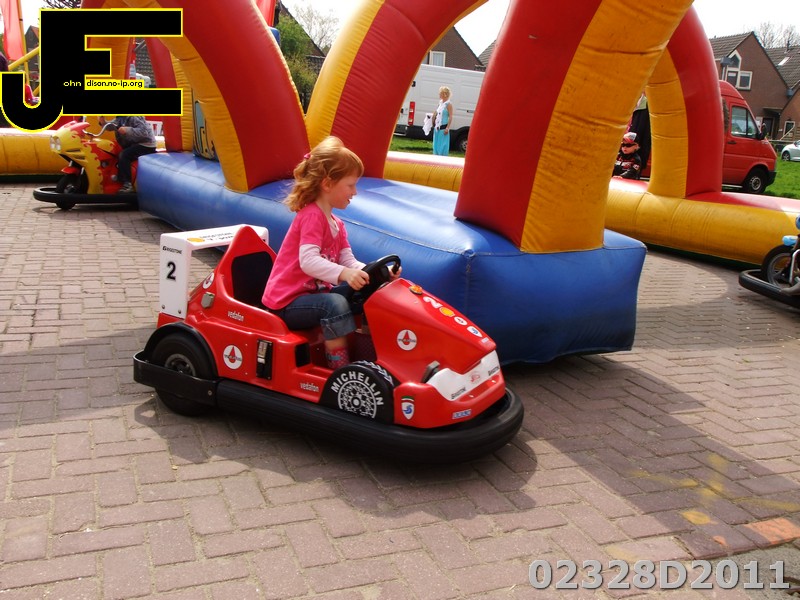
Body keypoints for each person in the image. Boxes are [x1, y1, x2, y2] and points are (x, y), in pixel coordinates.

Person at [262, 136, 400, 369]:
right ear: (327, 184)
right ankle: (338, 369)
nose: (355, 192)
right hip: (286, 302)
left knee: (369, 292)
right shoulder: (311, 216)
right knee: (334, 304)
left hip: (312, 296)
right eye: (350, 185)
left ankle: (369, 359)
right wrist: (345, 274)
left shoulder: (337, 223)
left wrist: (376, 273)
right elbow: (308, 261)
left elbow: (348, 260)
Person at [97, 115, 157, 193]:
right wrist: (103, 122)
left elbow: (143, 132)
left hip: (145, 145)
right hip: (132, 144)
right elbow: (112, 126)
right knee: (118, 153)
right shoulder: (120, 118)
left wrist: (128, 130)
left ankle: (127, 184)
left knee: (124, 155)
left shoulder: (134, 117)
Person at [432, 86, 453, 156]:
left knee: (443, 146)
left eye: (440, 93)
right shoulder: (440, 103)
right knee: (436, 145)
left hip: (443, 128)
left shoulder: (448, 104)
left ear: (444, 94)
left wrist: (447, 127)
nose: (439, 94)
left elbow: (450, 116)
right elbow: (437, 113)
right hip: (437, 127)